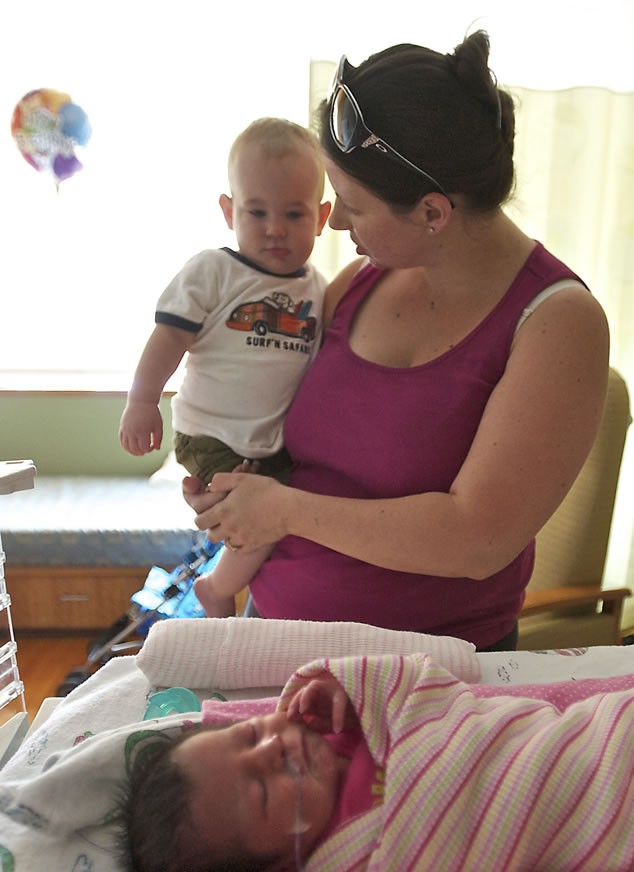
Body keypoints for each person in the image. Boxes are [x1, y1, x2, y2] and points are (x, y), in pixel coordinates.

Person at [183, 31, 609, 652]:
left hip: (431, 672)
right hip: (273, 637)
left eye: (354, 204)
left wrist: (283, 510)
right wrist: (227, 476)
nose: (339, 220)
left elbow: (477, 540)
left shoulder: (558, 323)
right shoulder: (357, 284)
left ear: (434, 212)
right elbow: (283, 435)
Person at [121, 651, 634, 872]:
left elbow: (428, 688)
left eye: (252, 734)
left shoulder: (353, 725)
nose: (276, 747)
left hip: (592, 740)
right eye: (258, 790)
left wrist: (350, 685)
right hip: (591, 813)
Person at [119, 118, 331, 618]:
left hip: (271, 445)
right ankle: (216, 590)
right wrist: (142, 401)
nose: (275, 228)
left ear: (322, 218)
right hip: (211, 435)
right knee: (255, 520)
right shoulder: (214, 272)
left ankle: (229, 589)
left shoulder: (319, 291)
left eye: (294, 214)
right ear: (228, 210)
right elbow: (168, 338)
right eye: (257, 212)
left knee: (278, 519)